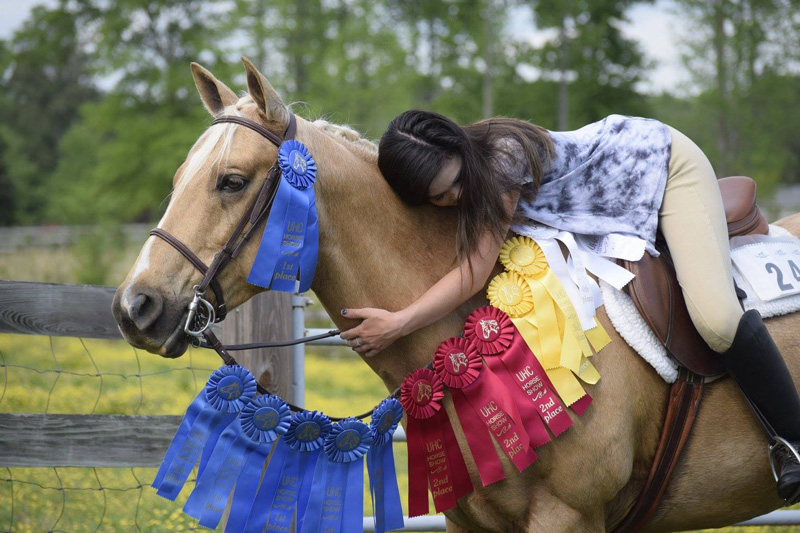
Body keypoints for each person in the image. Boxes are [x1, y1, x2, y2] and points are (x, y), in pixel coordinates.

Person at [337, 109, 800, 503]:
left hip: (660, 168)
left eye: (454, 185)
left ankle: (793, 440)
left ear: (458, 145)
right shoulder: (468, 172)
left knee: (716, 321)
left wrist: (399, 322)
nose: (452, 200)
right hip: (607, 199)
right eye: (437, 199)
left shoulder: (500, 159)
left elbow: (475, 272)